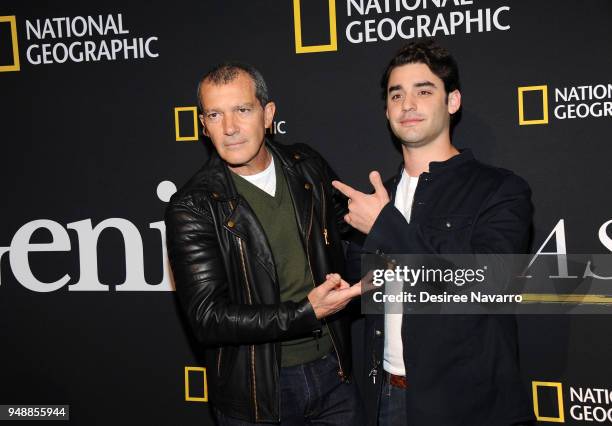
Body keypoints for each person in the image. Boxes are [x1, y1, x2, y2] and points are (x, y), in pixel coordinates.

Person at [332, 40, 535, 425]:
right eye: (397, 94)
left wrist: (385, 227)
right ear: (387, 109)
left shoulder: (500, 190)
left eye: (423, 91)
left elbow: (489, 284)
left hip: (467, 405)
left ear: (452, 101)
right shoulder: (379, 198)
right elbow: (367, 292)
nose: (408, 104)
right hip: (384, 397)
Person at [165, 62, 362, 425]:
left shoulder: (307, 166)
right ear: (204, 126)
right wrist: (306, 312)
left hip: (333, 374)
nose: (230, 128)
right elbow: (208, 318)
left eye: (242, 109)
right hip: (258, 396)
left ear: (268, 114)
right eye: (215, 114)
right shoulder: (193, 205)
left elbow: (349, 237)